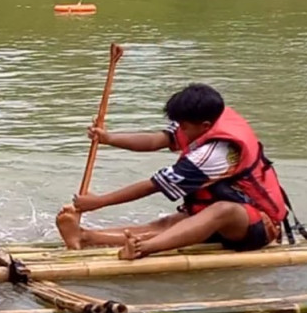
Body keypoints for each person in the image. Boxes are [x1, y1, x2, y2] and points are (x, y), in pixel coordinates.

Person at [55, 83, 293, 261]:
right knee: (169, 223)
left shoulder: (216, 153)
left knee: (223, 210)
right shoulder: (202, 122)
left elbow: (154, 185)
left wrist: (98, 202)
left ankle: (140, 249)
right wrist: (108, 138)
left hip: (260, 225)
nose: (180, 130)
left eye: (184, 126)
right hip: (221, 217)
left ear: (205, 127)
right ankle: (85, 237)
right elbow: (157, 140)